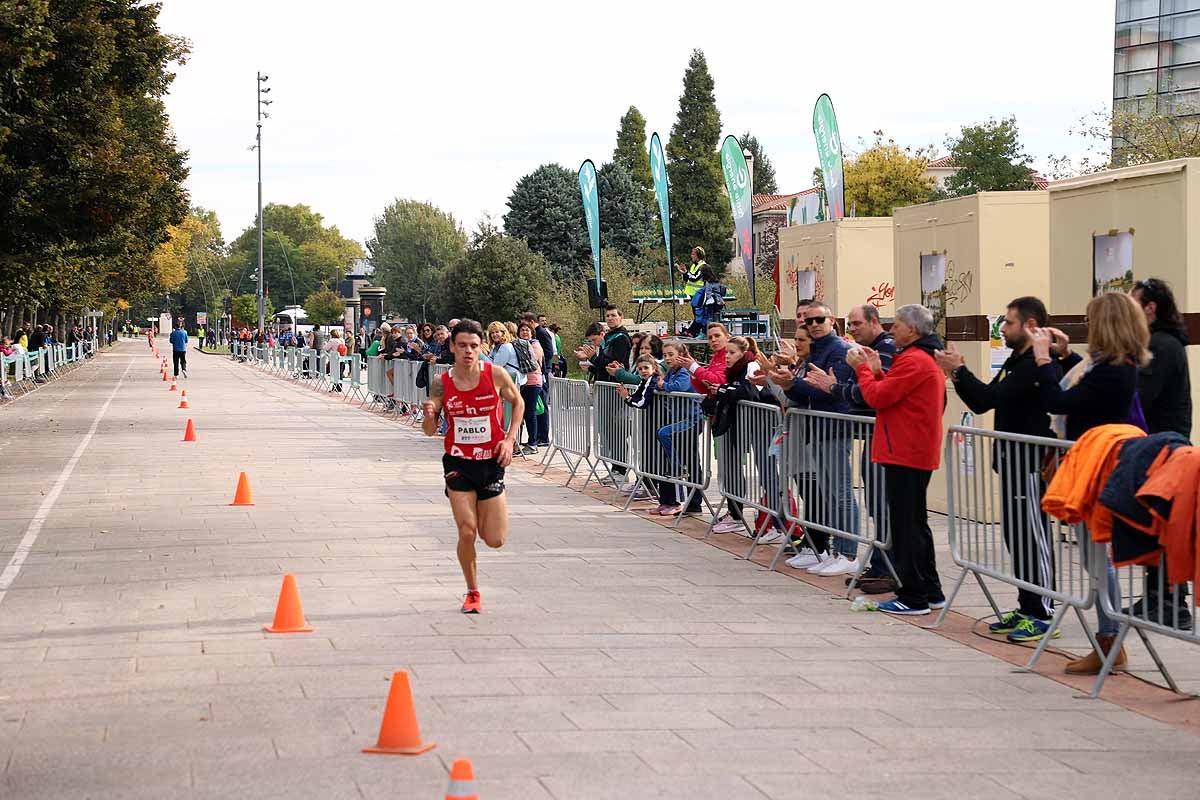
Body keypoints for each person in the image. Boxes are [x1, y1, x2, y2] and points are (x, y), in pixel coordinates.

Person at [1035, 291, 1149, 674]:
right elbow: (1081, 392)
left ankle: (1109, 638)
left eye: (1091, 320)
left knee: (1098, 556)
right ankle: (1108, 637)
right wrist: (1066, 356)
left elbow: (1061, 400)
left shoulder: (1114, 369)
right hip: (1093, 463)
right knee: (1093, 555)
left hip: (1098, 467)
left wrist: (1043, 360)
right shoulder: (1108, 365)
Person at [935, 297, 1061, 639]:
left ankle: (1043, 610)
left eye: (1009, 323)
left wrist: (959, 370)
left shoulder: (1037, 363)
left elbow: (991, 398)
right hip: (1010, 460)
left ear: (1030, 325)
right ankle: (1026, 604)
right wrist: (957, 373)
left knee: (1032, 536)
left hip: (1030, 462)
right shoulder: (1016, 359)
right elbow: (984, 400)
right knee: (1016, 536)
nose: (1002, 329)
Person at [849, 304, 946, 615]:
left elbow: (878, 397)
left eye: (898, 325)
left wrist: (862, 370)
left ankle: (914, 595)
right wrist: (877, 371)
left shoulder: (916, 359)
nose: (892, 330)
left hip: (906, 451)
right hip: (908, 449)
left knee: (906, 527)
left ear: (913, 330)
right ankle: (929, 591)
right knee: (914, 524)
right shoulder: (917, 359)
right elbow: (894, 390)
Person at [421, 320, 523, 614]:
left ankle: (487, 510)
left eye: (474, 346)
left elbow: (518, 404)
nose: (468, 351)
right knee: (467, 531)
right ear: (452, 346)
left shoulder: (497, 375)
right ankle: (472, 591)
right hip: (458, 463)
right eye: (462, 345)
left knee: (494, 539)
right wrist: (429, 415)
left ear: (482, 348)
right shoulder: (443, 382)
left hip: (491, 462)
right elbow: (429, 430)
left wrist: (509, 439)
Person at [803, 304, 897, 587]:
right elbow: (866, 392)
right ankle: (878, 565)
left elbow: (874, 394)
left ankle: (869, 560)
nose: (853, 329)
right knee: (871, 503)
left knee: (874, 503)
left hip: (881, 436)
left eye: (857, 324)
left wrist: (834, 387)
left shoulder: (869, 350)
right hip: (873, 434)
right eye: (810, 321)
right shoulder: (851, 350)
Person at [770, 302, 860, 576]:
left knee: (840, 493)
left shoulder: (840, 350)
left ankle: (848, 551)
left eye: (819, 319)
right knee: (829, 493)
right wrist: (789, 383)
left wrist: (793, 384)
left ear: (831, 320)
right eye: (809, 321)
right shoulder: (818, 352)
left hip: (833, 429)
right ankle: (833, 550)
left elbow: (828, 391)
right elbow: (806, 393)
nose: (814, 324)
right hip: (816, 429)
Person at [1129, 278, 1193, 628]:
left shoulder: (1163, 346)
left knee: (1165, 525)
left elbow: (1141, 396)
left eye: (1135, 304)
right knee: (1154, 525)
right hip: (1156, 446)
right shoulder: (1157, 343)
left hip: (1165, 449)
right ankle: (1156, 597)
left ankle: (1172, 602)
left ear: (1151, 308)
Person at [574, 306, 633, 484]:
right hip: (606, 389)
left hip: (615, 389)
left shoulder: (621, 339)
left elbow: (615, 365)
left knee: (617, 430)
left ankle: (621, 469)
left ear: (621, 317)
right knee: (608, 430)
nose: (610, 318)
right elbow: (603, 365)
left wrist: (592, 359)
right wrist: (590, 365)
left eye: (613, 315)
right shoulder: (608, 338)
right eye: (608, 316)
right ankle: (616, 467)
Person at [515, 321, 545, 454]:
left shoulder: (535, 344)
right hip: (521, 382)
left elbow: (532, 358)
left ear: (532, 332)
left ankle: (533, 443)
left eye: (527, 330)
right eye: (522, 330)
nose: (525, 332)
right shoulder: (517, 345)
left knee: (530, 412)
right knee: (522, 413)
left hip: (533, 382)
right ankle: (524, 441)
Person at [676, 246, 708, 331]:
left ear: (698, 255)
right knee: (696, 314)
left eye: (693, 254)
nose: (691, 256)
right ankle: (696, 331)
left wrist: (686, 272)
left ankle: (699, 331)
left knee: (699, 314)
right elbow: (688, 279)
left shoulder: (703, 266)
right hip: (693, 294)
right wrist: (683, 273)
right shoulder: (694, 266)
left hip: (699, 294)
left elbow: (694, 278)